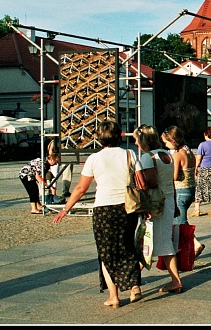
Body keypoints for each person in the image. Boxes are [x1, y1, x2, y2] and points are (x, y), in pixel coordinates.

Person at [52, 120, 143, 308]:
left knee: (105, 251)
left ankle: (114, 296)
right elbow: (141, 182)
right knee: (127, 245)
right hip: (127, 207)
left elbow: (80, 188)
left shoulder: (94, 158)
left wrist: (65, 209)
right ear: (118, 135)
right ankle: (134, 287)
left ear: (99, 137)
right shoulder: (129, 153)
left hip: (104, 208)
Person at [133, 125, 182, 294]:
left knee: (145, 242)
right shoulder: (167, 155)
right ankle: (174, 281)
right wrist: (175, 205)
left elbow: (151, 183)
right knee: (163, 242)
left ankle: (133, 283)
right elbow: (171, 182)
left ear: (143, 140)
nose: (135, 142)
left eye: (136, 139)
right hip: (167, 201)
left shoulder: (147, 157)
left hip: (155, 205)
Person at [162, 125, 205, 261]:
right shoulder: (189, 152)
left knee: (181, 221)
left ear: (173, 141)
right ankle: (185, 247)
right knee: (181, 220)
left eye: (166, 142)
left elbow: (174, 176)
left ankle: (195, 244)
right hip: (191, 189)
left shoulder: (177, 155)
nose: (165, 145)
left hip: (180, 190)